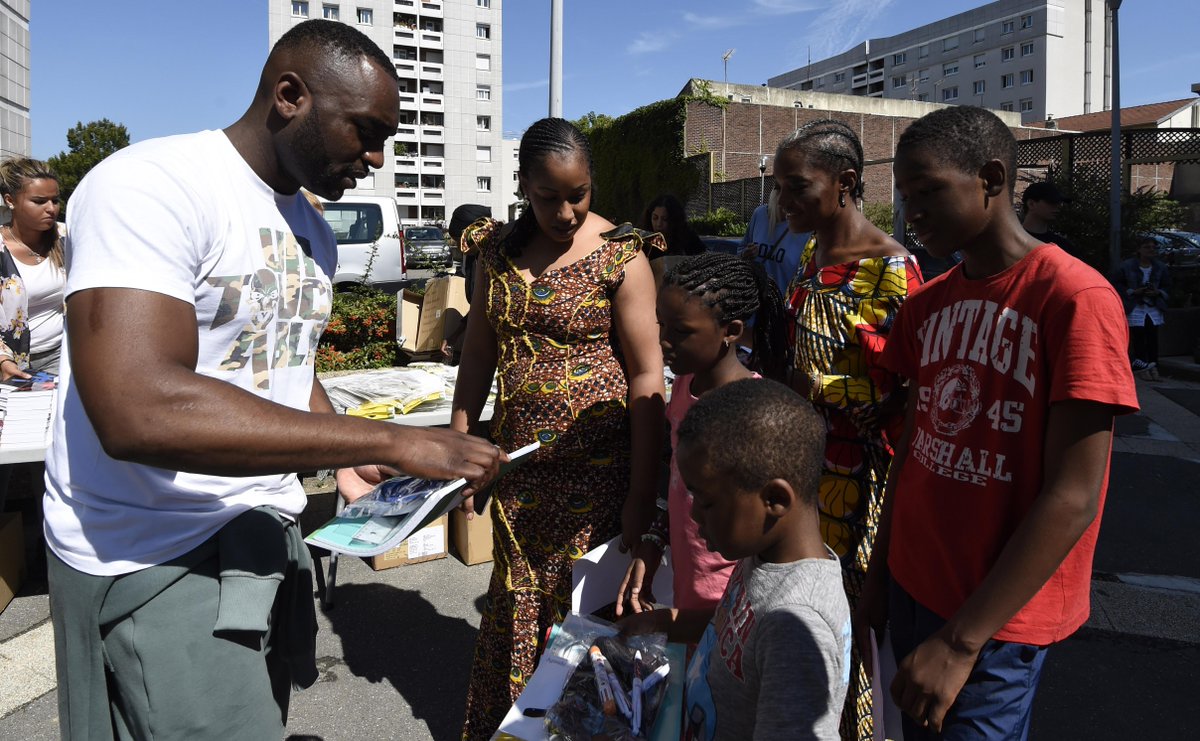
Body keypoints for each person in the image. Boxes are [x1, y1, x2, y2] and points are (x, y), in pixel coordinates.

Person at [42, 20, 504, 741]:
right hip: (154, 553)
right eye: (365, 131)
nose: (376, 159)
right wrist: (393, 438)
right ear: (290, 95)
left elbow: (283, 368)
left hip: (260, 530)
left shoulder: (310, 226)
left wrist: (350, 460)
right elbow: (134, 409)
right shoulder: (149, 184)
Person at [859, 106, 1138, 740]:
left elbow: (1074, 496)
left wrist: (960, 643)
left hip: (993, 621)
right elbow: (912, 446)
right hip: (912, 586)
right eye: (905, 197)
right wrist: (879, 576)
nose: (912, 214)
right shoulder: (928, 303)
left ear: (990, 178)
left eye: (929, 191)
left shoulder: (1075, 299)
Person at [452, 117, 665, 739]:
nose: (567, 211)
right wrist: (463, 449)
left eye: (580, 194)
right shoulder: (496, 254)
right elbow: (477, 359)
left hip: (600, 484)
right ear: (522, 185)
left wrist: (641, 497)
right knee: (518, 611)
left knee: (587, 625)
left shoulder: (621, 256)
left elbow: (648, 378)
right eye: (549, 197)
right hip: (519, 478)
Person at [776, 118, 920, 741]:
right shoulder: (811, 252)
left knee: (850, 618)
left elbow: (914, 394)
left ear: (846, 184)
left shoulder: (893, 270)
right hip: (807, 463)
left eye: (797, 187)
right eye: (778, 187)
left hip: (862, 479)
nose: (783, 203)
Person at [621, 378, 851, 740]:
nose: (694, 516)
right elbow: (729, 630)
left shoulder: (795, 626)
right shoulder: (764, 555)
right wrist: (664, 623)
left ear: (775, 499)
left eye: (708, 502)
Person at [614, 251, 789, 619]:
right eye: (661, 325)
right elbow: (681, 483)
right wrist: (655, 539)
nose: (662, 342)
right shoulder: (683, 385)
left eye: (681, 332)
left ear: (732, 331)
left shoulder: (753, 412)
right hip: (686, 581)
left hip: (727, 600)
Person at [0, 157, 65, 374]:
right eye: (39, 201)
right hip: (9, 363)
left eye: (55, 200)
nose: (51, 209)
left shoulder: (65, 238)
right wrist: (3, 361)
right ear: (10, 201)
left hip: (61, 355)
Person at [1113, 235, 1170, 380]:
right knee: (1138, 338)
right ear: (1139, 249)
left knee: (1152, 338)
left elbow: (1167, 285)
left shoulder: (1160, 267)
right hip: (1135, 306)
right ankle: (1141, 368)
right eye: (1147, 247)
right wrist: (1132, 291)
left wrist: (1158, 292)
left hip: (1153, 306)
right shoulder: (1127, 266)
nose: (1151, 250)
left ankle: (1154, 368)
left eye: (1153, 247)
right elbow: (1117, 284)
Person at [739, 186, 810, 299]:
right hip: (753, 300)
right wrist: (745, 254)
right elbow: (741, 249)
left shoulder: (804, 228)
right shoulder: (760, 214)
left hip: (782, 304)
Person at [640, 193, 704, 285]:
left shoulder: (689, 240)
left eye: (664, 219)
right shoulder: (644, 241)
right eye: (655, 218)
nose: (658, 224)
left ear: (674, 220)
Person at [1020, 181, 1078, 256]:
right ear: (1031, 204)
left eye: (1059, 203)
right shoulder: (1011, 242)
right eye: (1051, 201)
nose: (1058, 206)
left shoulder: (1063, 246)